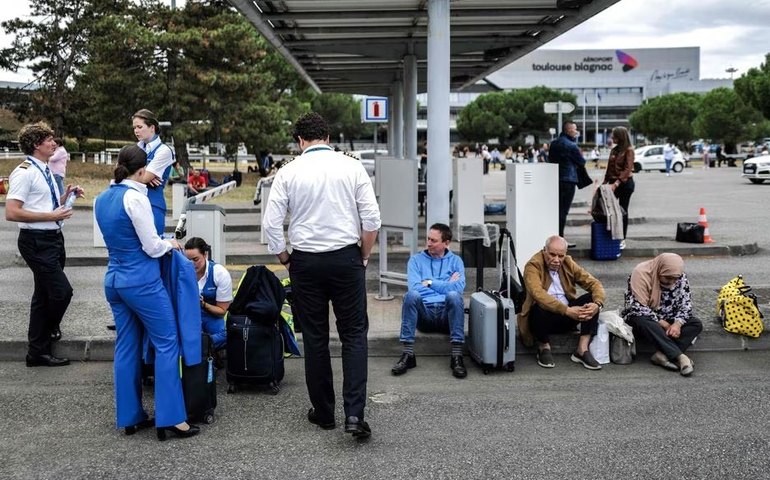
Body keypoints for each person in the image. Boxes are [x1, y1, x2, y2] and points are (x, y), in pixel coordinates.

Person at [263, 112, 381, 439]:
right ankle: (355, 414)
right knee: (354, 335)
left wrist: (286, 257)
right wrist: (364, 254)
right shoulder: (352, 166)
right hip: (346, 258)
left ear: (300, 141)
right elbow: (371, 220)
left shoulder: (288, 172)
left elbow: (271, 225)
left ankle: (324, 413)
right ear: (328, 137)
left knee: (315, 338)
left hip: (305, 262)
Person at [94, 145, 199, 440]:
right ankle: (172, 418)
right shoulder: (135, 198)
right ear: (142, 171)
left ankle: (129, 415)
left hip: (114, 279)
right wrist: (171, 244)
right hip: (141, 281)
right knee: (167, 342)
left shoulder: (102, 198)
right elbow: (152, 246)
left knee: (126, 346)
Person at [5, 122, 83, 366]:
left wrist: (66, 197)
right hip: (36, 241)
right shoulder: (24, 172)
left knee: (42, 295)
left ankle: (37, 352)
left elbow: (41, 203)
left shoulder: (45, 169)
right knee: (62, 292)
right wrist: (51, 216)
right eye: (49, 140)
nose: (54, 143)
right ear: (37, 145)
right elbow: (12, 212)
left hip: (53, 239)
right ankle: (47, 332)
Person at [391, 223, 467, 379]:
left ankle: (457, 357)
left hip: (447, 317)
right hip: (424, 315)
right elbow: (415, 287)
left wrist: (430, 282)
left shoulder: (456, 261)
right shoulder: (416, 260)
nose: (429, 243)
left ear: (446, 243)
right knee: (411, 296)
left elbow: (458, 288)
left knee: (454, 296)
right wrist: (447, 284)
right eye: (428, 239)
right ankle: (408, 355)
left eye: (434, 240)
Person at [519, 235, 606, 370]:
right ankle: (544, 347)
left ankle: (582, 349)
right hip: (543, 320)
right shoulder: (533, 265)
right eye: (552, 255)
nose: (556, 260)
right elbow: (538, 294)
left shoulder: (568, 262)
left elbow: (594, 283)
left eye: (560, 256)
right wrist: (568, 310)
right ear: (544, 251)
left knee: (591, 300)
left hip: (567, 316)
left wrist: (598, 304)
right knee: (537, 307)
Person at [622, 253, 703, 376]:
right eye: (667, 278)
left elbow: (686, 305)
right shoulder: (641, 273)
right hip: (645, 318)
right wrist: (664, 324)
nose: (672, 282)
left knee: (695, 324)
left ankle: (661, 355)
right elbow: (637, 307)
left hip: (669, 318)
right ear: (659, 270)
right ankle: (681, 357)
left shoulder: (679, 277)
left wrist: (677, 324)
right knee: (642, 320)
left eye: (675, 278)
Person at [184, 237, 232, 351]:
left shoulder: (220, 273)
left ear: (205, 255)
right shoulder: (181, 272)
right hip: (189, 316)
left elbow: (221, 311)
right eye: (188, 260)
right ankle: (206, 347)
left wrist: (203, 304)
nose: (192, 264)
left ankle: (200, 346)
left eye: (196, 259)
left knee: (228, 335)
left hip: (211, 315)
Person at [132, 109, 174, 236]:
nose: (136, 131)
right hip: (133, 205)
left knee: (153, 249)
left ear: (152, 127)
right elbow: (119, 173)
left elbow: (144, 178)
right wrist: (144, 174)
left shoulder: (163, 151)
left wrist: (133, 174)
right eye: (134, 127)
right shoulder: (135, 148)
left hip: (153, 205)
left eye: (139, 127)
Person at [548, 121, 586, 247]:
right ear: (569, 130)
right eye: (575, 129)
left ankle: (554, 239)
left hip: (555, 179)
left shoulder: (554, 144)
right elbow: (582, 162)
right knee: (563, 211)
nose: (576, 132)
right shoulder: (571, 145)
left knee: (556, 210)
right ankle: (560, 240)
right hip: (568, 180)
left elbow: (551, 160)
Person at [602, 126, 635, 250]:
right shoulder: (614, 150)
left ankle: (622, 238)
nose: (612, 138)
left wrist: (617, 183)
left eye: (614, 136)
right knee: (609, 211)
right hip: (611, 184)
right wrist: (604, 182)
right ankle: (611, 235)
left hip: (625, 184)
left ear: (620, 137)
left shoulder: (629, 150)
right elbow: (609, 168)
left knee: (622, 211)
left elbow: (627, 169)